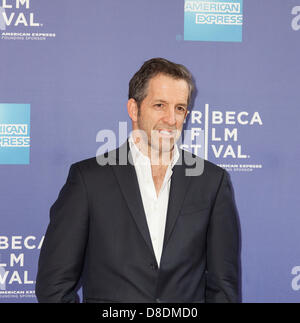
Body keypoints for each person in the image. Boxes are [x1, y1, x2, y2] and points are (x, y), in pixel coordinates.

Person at [35, 58, 240, 303]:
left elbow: (223, 287)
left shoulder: (212, 182)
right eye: (160, 105)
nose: (171, 119)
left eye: (179, 108)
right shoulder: (88, 180)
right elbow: (53, 286)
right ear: (134, 109)